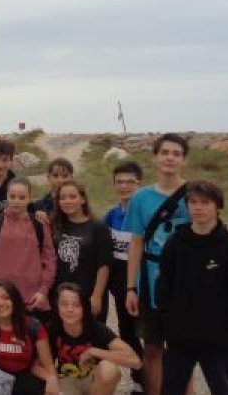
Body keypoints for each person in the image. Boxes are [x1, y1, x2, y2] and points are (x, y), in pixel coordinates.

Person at [155, 181, 228, 395]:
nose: (198, 208)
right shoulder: (175, 243)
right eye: (193, 202)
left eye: (205, 202)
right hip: (180, 337)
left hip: (219, 339)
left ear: (218, 207)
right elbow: (163, 287)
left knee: (223, 390)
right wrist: (169, 321)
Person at [124, 133, 191, 395]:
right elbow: (137, 243)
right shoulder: (141, 198)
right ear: (155, 157)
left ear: (183, 159)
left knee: (182, 351)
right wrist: (131, 287)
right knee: (152, 348)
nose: (170, 158)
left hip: (184, 282)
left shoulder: (194, 193)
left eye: (176, 153)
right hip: (150, 282)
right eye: (165, 152)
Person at [0, 280, 59, 395]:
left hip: (24, 376)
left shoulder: (33, 326)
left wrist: (53, 380)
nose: (0, 303)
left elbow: (48, 365)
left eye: (6, 298)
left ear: (15, 300)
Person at [0, 177, 57, 318]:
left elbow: (50, 260)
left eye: (22, 197)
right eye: (12, 196)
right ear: (6, 196)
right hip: (2, 298)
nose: (16, 201)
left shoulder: (40, 224)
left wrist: (43, 291)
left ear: (29, 198)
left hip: (33, 299)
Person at [47, 283, 140, 395]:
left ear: (84, 308)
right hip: (66, 379)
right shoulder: (52, 328)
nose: (70, 309)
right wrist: (50, 378)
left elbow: (135, 361)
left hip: (94, 380)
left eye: (76, 305)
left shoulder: (96, 328)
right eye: (64, 304)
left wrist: (94, 351)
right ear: (57, 307)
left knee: (109, 369)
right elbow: (36, 364)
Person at [100, 161, 144, 390]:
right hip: (118, 284)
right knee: (128, 333)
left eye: (130, 182)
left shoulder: (147, 215)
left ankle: (156, 379)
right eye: (120, 182)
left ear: (140, 184)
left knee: (151, 337)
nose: (125, 186)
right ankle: (140, 381)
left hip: (141, 284)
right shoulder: (111, 215)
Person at [51, 181, 112, 316]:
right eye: (62, 197)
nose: (67, 201)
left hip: (88, 292)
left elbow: (104, 265)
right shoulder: (55, 225)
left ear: (83, 199)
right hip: (61, 294)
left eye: (72, 197)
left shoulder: (98, 227)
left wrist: (97, 295)